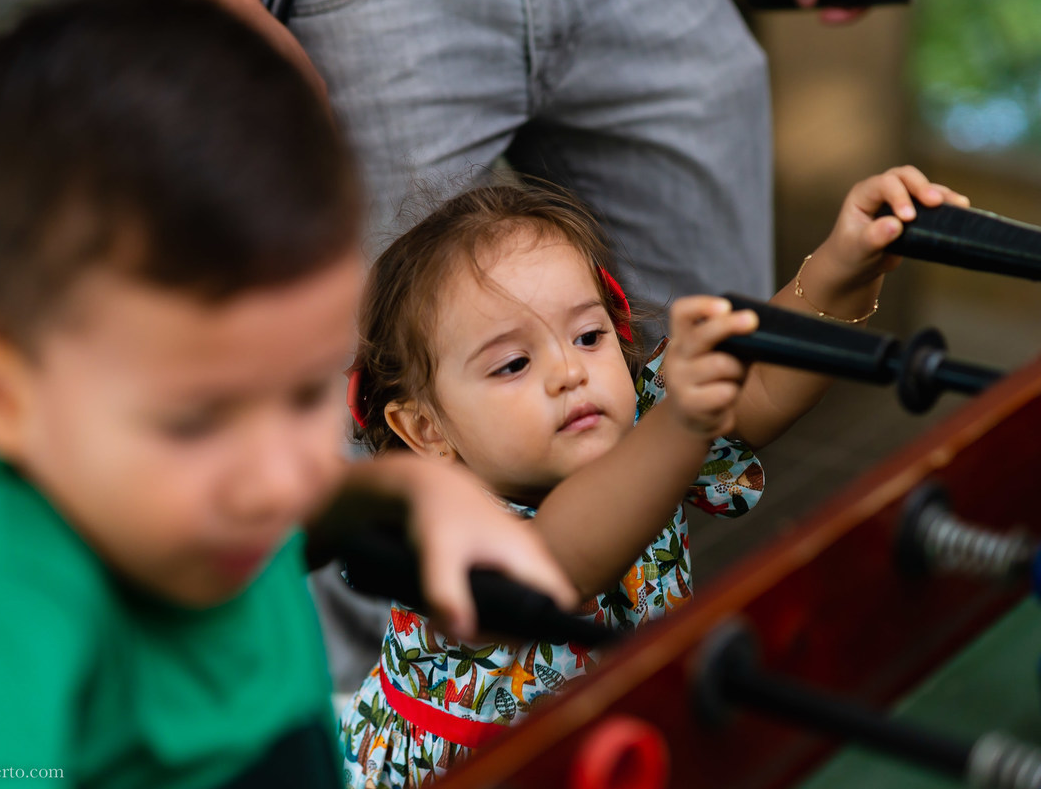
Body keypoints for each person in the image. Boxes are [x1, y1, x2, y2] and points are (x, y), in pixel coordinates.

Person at [0, 0, 577, 786]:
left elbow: (308, 507)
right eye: (195, 422)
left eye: (306, 394)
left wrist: (415, 492)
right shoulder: (3, 608)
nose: (276, 480)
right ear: (0, 393)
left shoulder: (216, 496)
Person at [339, 168, 969, 787]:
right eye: (512, 364)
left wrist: (842, 266)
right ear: (426, 430)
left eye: (588, 335)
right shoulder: (432, 529)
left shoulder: (643, 414)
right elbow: (558, 562)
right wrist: (681, 425)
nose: (568, 370)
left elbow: (761, 388)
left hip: (625, 736)